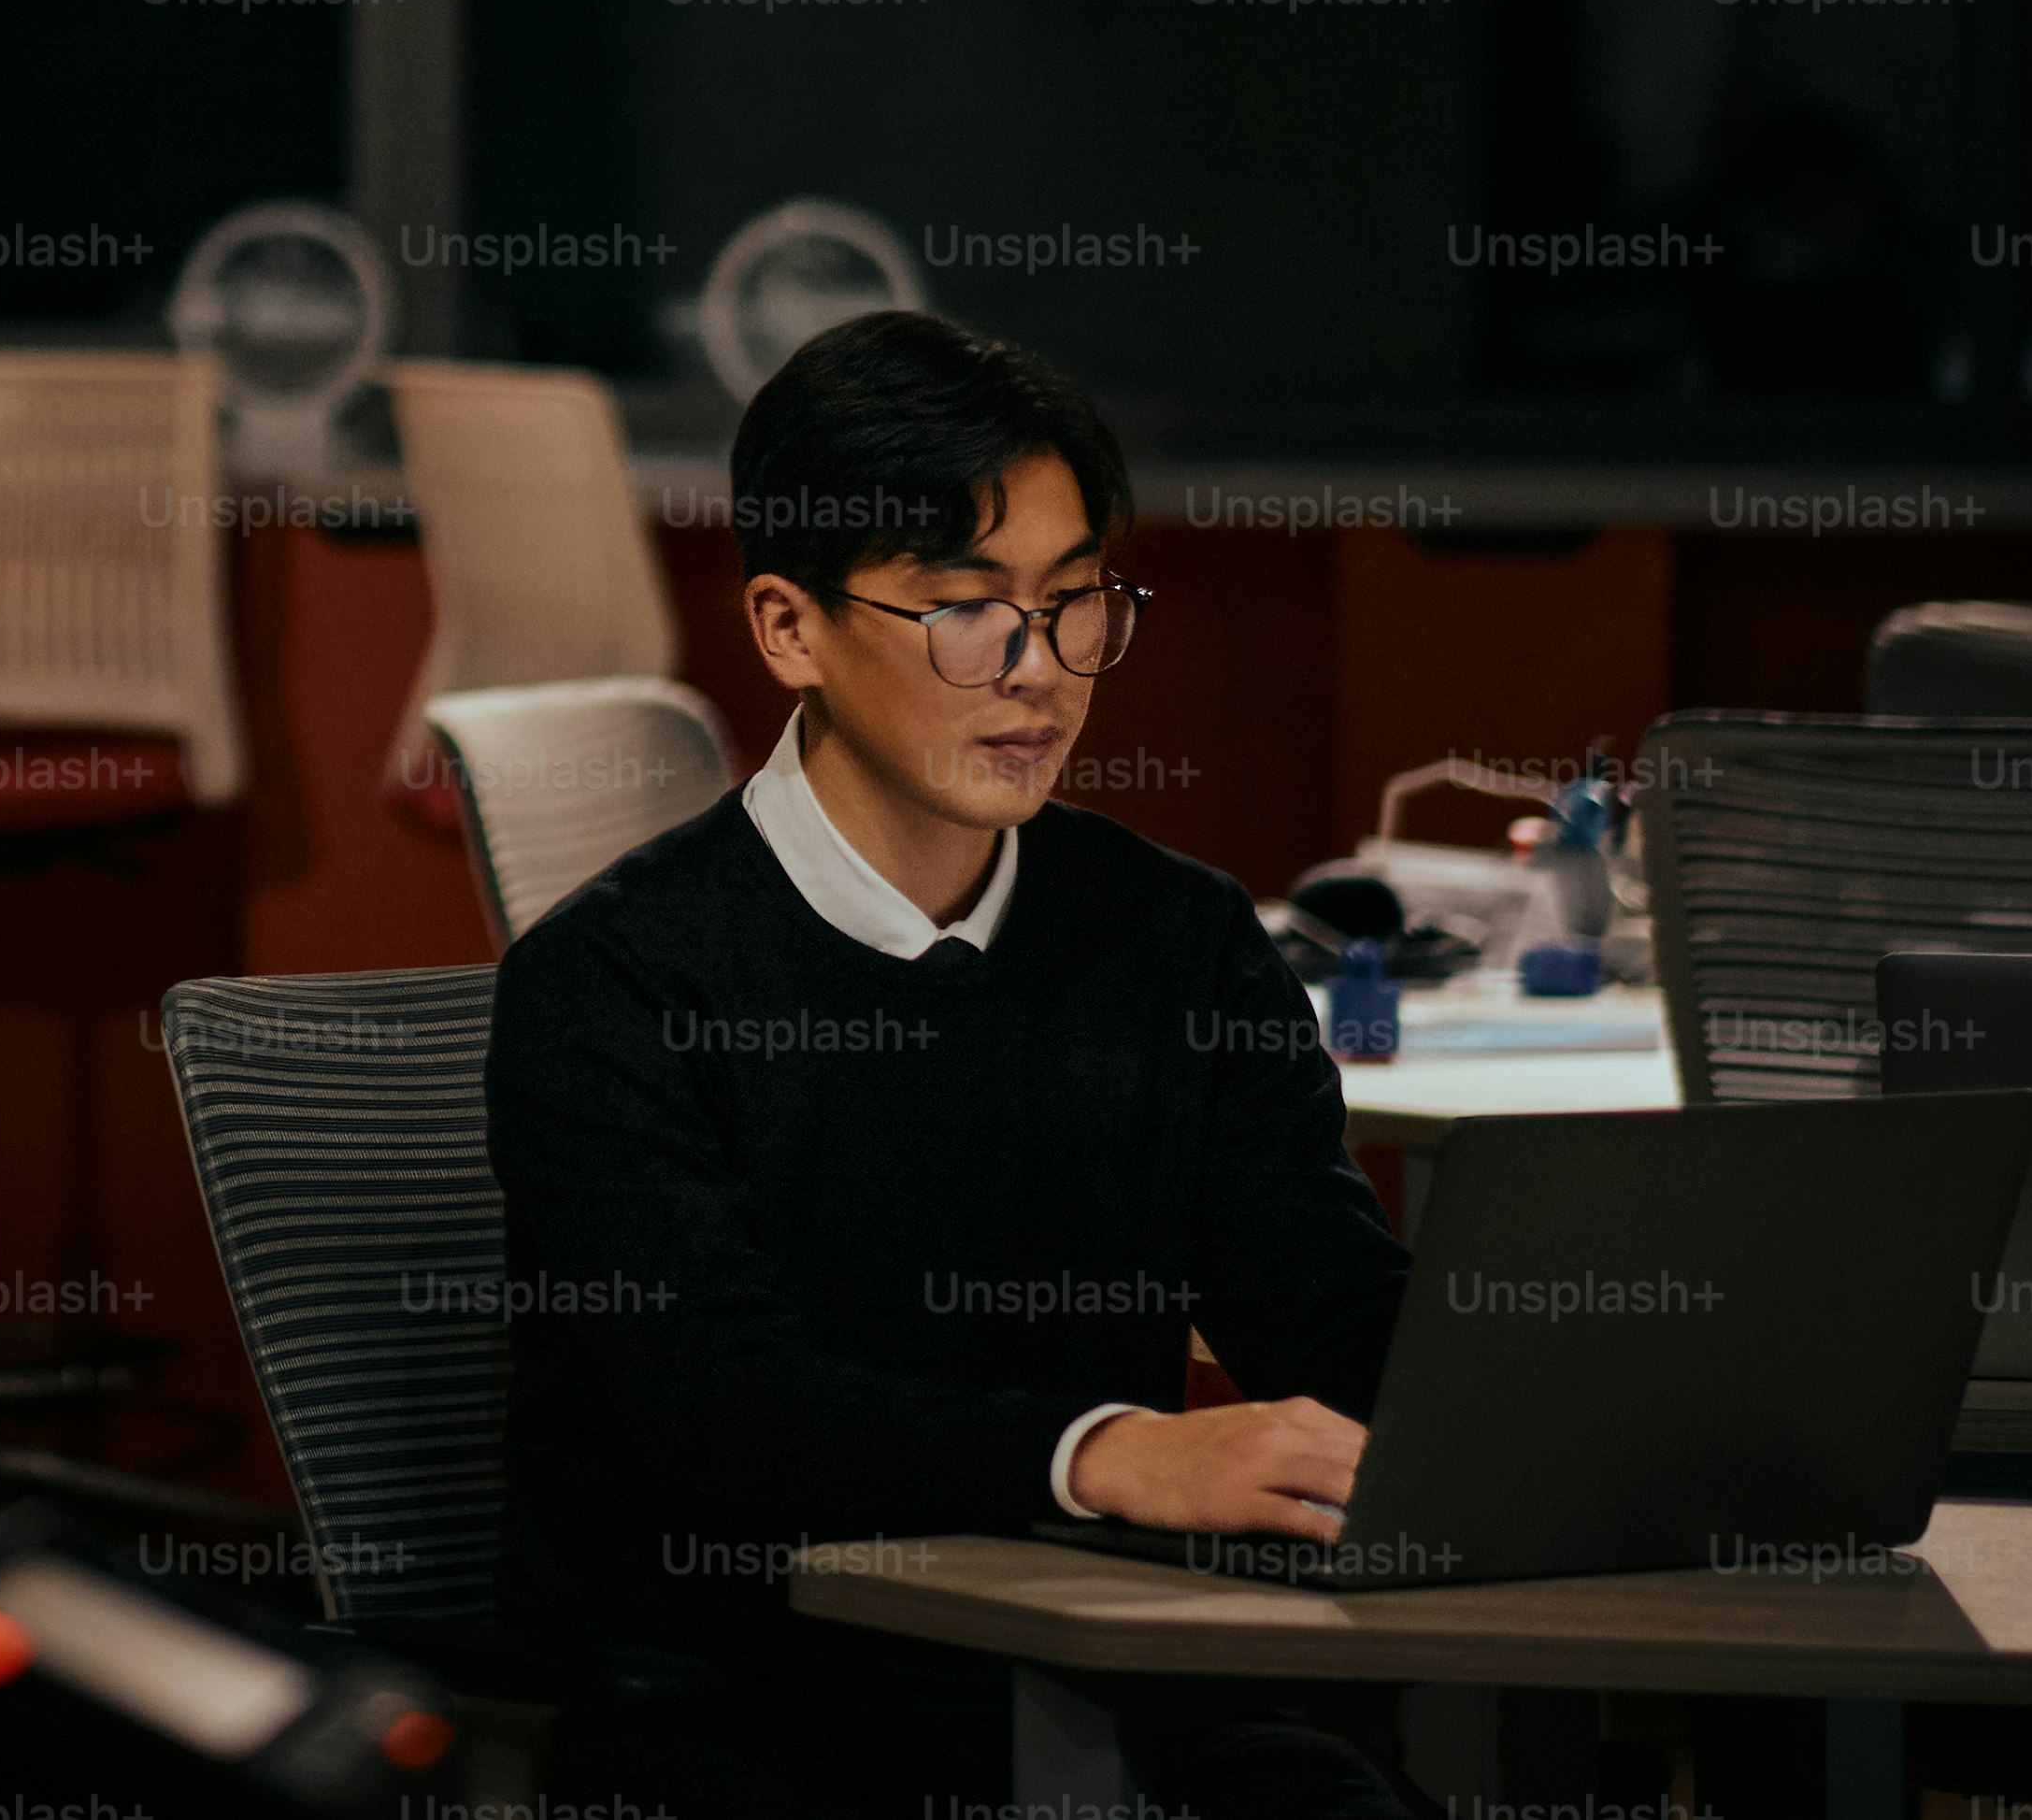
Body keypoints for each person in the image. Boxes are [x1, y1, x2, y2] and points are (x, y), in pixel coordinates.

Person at [490, 310, 1426, 1819]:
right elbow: (717, 1405)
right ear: (789, 628)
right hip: (742, 1695)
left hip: (1097, 1668)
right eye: (969, 610)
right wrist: (1104, 1452)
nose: (1042, 672)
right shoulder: (615, 978)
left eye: (1076, 605)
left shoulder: (1175, 936)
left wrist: (1546, 1421)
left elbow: (1316, 1298)